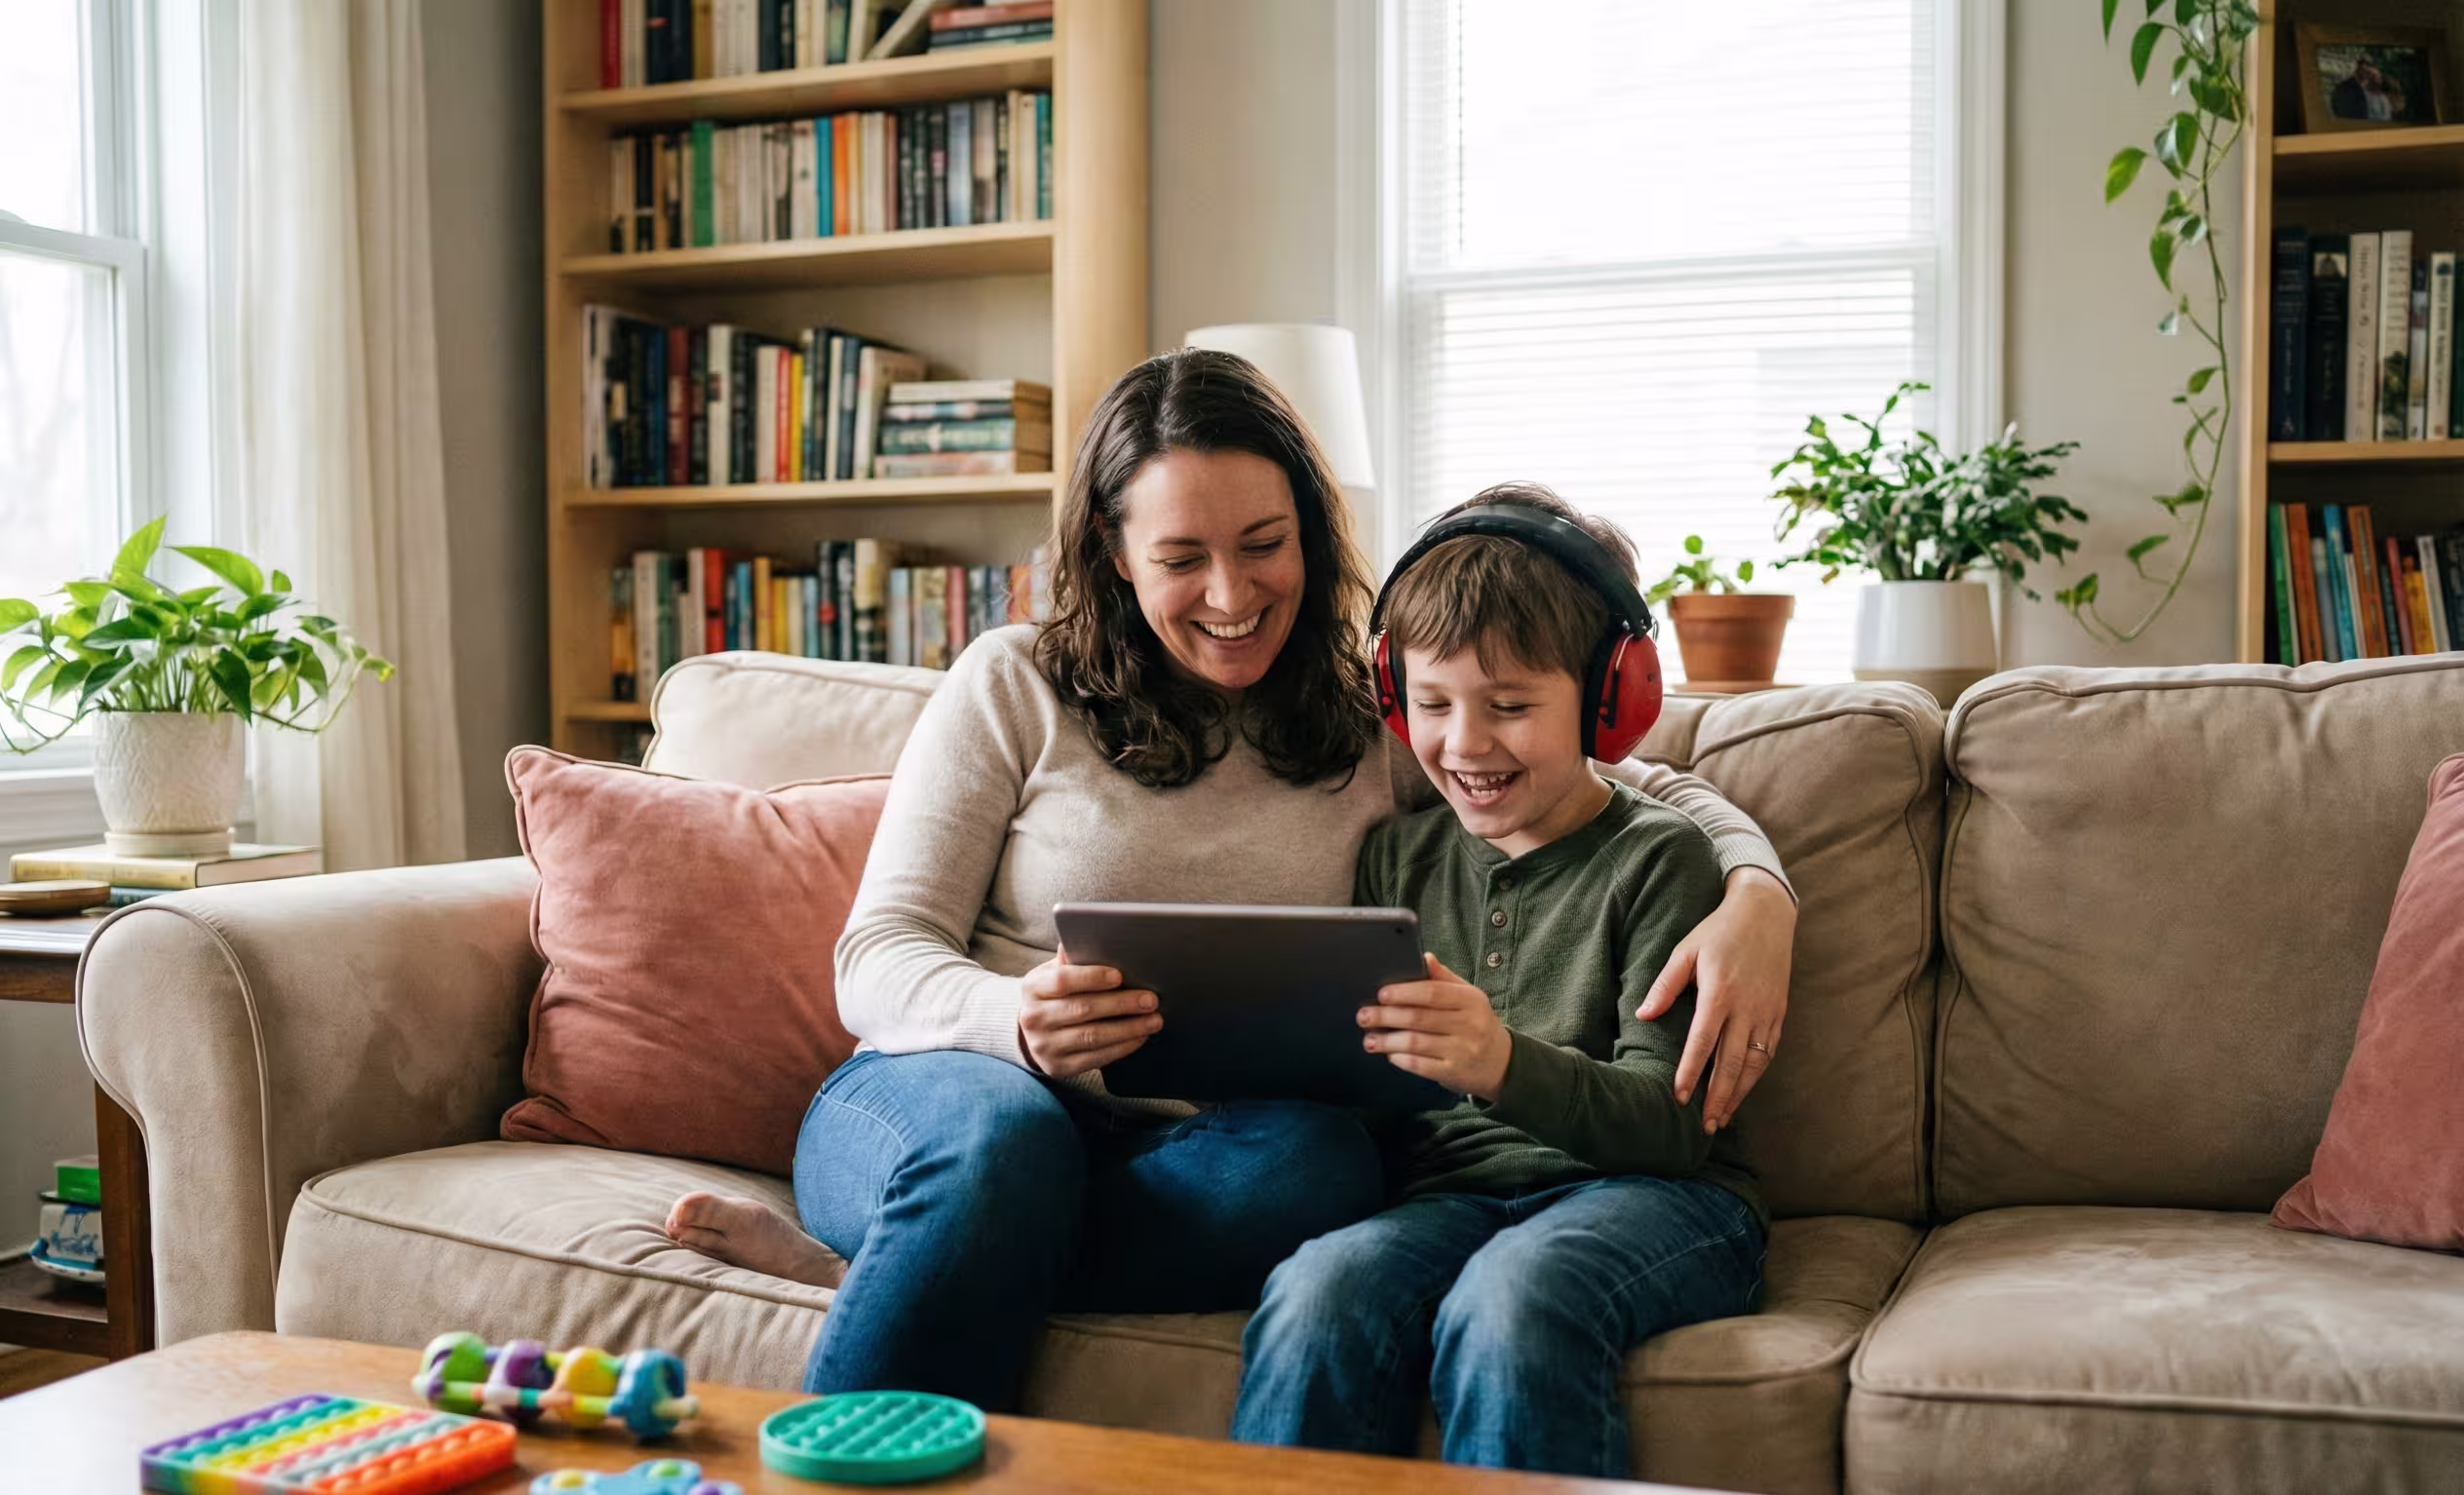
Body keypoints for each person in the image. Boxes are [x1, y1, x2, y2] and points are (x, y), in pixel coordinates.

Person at [662, 350, 1797, 1413]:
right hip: (943, 1103)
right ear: (1113, 553)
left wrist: (1756, 893)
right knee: (1006, 1149)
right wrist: (1015, 1019)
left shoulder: (1376, 722)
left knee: (1324, 1166)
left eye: (1263, 543)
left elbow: (1609, 774)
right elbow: (876, 957)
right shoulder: (1011, 681)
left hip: (1188, 1152)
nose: (1230, 592)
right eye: (1178, 558)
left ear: (1309, 532)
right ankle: (906, 1302)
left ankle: (901, 1265)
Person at [1231, 483, 1763, 1477]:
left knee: (1512, 1297)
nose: (1464, 743)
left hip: (1652, 1198)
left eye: (1509, 706)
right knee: (1315, 1288)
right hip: (1447, 1198)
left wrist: (1499, 1061)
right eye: (1430, 705)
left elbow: (1673, 1127)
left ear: (1610, 700)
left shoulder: (1660, 861)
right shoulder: (1396, 860)